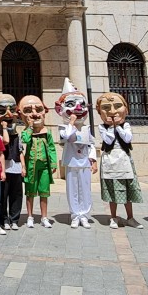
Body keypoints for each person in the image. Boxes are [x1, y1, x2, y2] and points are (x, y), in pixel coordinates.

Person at [95, 91, 142, 229]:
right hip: (110, 159)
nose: (112, 111)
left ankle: (130, 217)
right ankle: (113, 217)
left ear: (125, 109)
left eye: (117, 106)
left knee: (127, 189)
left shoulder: (126, 126)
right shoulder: (102, 127)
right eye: (106, 108)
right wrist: (111, 127)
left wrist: (118, 127)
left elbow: (127, 138)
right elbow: (107, 139)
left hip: (124, 158)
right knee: (112, 190)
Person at [57, 80, 96, 229]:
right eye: (71, 104)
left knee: (85, 189)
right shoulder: (63, 127)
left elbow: (91, 144)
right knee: (72, 189)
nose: (78, 108)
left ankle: (84, 215)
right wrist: (71, 123)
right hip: (72, 162)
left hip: (84, 162)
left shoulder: (86, 128)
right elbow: (67, 137)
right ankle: (75, 215)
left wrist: (93, 160)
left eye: (81, 104)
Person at [19, 94, 57, 228]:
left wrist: (53, 163)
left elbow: (52, 148)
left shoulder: (47, 132)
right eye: (29, 111)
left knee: (44, 192)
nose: (35, 114)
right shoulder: (26, 132)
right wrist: (29, 127)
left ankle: (44, 217)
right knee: (30, 192)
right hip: (31, 166)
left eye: (38, 110)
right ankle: (30, 216)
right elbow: (26, 140)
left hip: (44, 167)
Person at [0, 95, 24, 230]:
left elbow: (20, 151)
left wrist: (23, 166)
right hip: (2, 170)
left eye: (12, 109)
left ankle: (14, 219)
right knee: (2, 196)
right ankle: (3, 219)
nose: (8, 114)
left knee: (16, 194)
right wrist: (4, 128)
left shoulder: (18, 135)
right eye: (1, 111)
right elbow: (5, 142)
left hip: (15, 168)